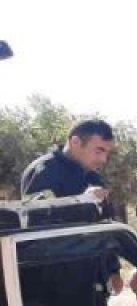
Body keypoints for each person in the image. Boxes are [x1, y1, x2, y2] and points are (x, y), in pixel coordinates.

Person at [20, 119, 123, 295]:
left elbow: (105, 226)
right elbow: (37, 225)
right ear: (75, 142)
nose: (103, 159)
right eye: (99, 150)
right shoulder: (44, 171)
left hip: (91, 282)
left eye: (107, 152)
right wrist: (82, 201)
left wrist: (113, 270)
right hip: (52, 285)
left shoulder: (93, 178)